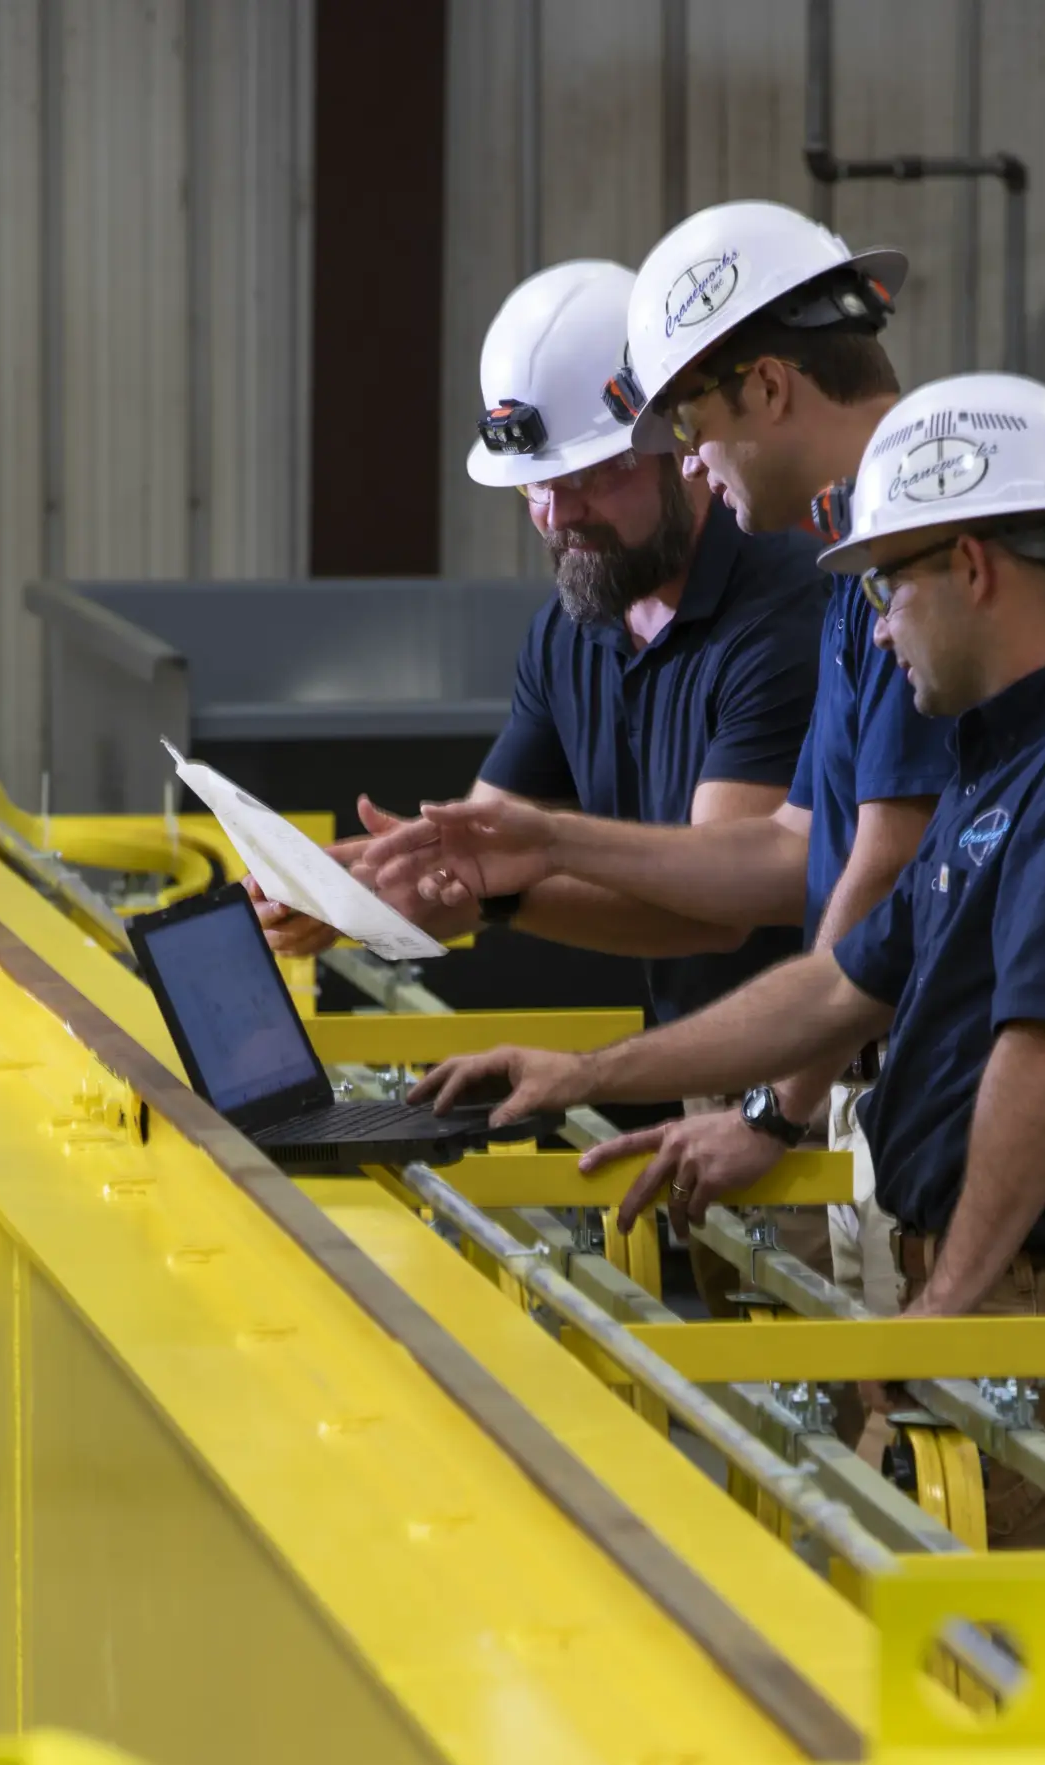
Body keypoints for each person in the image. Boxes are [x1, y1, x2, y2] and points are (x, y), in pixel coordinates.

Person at [408, 376, 1045, 1549]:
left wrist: (941, 1314)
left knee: (933, 1664)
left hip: (1039, 1295)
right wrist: (586, 1073)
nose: (878, 629)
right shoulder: (1008, 763)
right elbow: (838, 984)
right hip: (994, 1284)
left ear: (975, 569)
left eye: (890, 589)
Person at [365, 203, 955, 1317]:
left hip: (909, 1125)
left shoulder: (897, 560)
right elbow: (796, 852)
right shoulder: (856, 566)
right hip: (850, 1115)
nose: (685, 454)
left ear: (770, 389)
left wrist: (772, 1112)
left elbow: (852, 886)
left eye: (688, 420)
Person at [256, 256, 827, 1290]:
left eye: (588, 478)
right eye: (535, 487)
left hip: (813, 1094)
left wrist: (496, 898)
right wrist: (349, 889)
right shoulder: (574, 624)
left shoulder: (782, 615)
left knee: (842, 1414)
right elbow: (475, 843)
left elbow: (718, 905)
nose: (560, 514)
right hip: (711, 1079)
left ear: (677, 450)